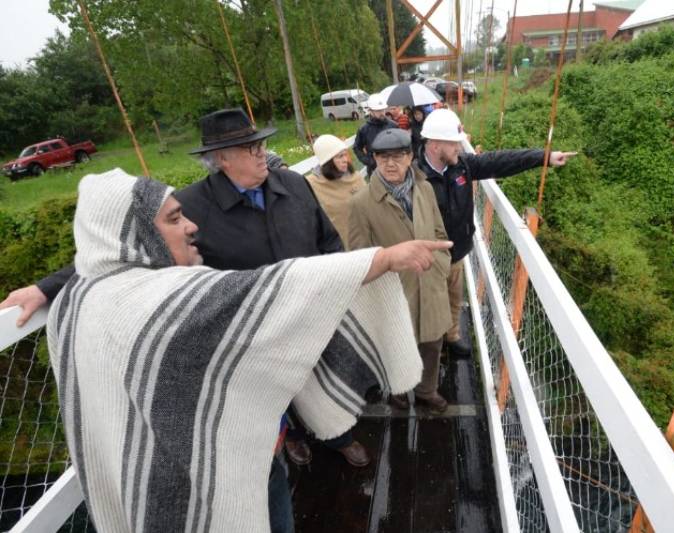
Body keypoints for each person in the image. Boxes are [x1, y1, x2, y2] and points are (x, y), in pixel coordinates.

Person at [0, 108, 371, 531]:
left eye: (262, 145)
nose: (262, 154)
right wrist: (46, 288)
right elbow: (120, 255)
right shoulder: (190, 206)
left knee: (324, 382)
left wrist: (343, 280)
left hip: (311, 316)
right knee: (275, 405)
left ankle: (339, 436)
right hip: (251, 339)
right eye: (250, 149)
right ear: (221, 159)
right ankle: (297, 442)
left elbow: (328, 240)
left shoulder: (293, 184)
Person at [45, 167, 448, 532]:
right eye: (172, 219)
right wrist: (385, 258)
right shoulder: (159, 300)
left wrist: (44, 290)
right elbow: (269, 288)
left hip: (241, 441)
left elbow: (102, 258)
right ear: (136, 235)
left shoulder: (76, 303)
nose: (191, 226)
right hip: (214, 472)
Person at [415, 109, 577, 357]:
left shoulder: (462, 166)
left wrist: (544, 157)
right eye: (454, 143)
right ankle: (431, 350)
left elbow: (501, 161)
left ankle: (452, 336)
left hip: (456, 252)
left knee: (454, 297)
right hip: (426, 259)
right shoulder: (414, 176)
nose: (460, 147)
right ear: (435, 145)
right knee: (427, 306)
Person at [348, 129, 452, 413]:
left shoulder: (425, 189)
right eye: (382, 157)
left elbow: (439, 231)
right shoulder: (361, 202)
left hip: (430, 285)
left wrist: (440, 266)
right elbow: (359, 257)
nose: (389, 163)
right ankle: (396, 389)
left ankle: (426, 390)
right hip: (393, 292)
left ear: (410, 157)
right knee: (394, 348)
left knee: (432, 344)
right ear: (374, 160)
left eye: (397, 156)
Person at [305, 135, 366, 244]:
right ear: (327, 161)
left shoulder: (356, 177)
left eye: (345, 155)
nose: (346, 160)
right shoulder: (311, 184)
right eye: (340, 156)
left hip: (366, 240)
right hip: (338, 247)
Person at [353, 93, 396, 173]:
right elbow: (357, 148)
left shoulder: (393, 125)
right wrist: (369, 161)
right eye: (378, 110)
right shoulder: (364, 129)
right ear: (371, 111)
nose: (382, 113)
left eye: (383, 109)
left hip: (392, 167)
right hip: (374, 170)